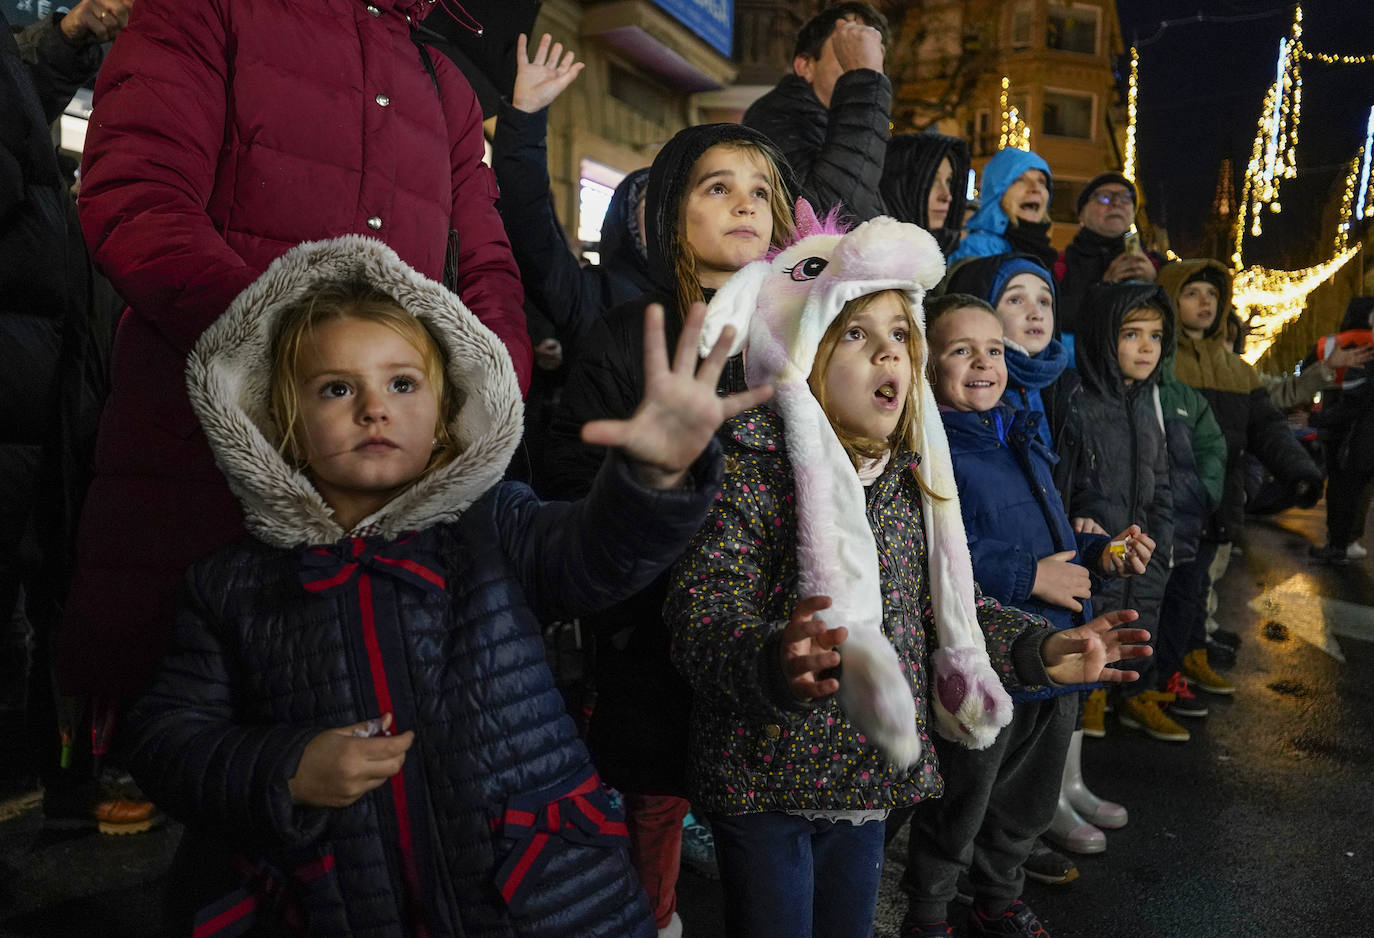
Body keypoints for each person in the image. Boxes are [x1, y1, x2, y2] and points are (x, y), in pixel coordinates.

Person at [121, 235, 770, 935]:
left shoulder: (495, 524)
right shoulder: (231, 585)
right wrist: (285, 769)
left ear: (443, 416)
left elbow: (596, 555)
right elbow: (166, 740)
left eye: (402, 384)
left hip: (541, 896)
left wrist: (653, 476)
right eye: (337, 388)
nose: (374, 408)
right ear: (280, 423)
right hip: (342, 904)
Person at [57, 0, 534, 764]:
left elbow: (488, 271)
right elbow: (138, 199)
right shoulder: (208, 9)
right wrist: (303, 360)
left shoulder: (444, 81)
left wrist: (483, 397)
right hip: (203, 469)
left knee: (374, 764)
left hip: (386, 501)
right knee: (198, 762)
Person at [665, 216, 1152, 938]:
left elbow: (953, 607)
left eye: (900, 334)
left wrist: (1039, 651)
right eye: (855, 335)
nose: (888, 351)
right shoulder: (750, 469)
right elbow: (701, 616)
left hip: (867, 778)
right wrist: (776, 658)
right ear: (801, 352)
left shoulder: (907, 479)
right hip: (766, 777)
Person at [543, 122, 796, 938]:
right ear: (668, 215)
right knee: (655, 799)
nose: (745, 205)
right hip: (652, 632)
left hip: (768, 624)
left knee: (765, 820)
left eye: (760, 191)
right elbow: (572, 477)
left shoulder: (802, 335)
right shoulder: (630, 335)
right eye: (718, 187)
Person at [899, 293, 1153, 937]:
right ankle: (928, 913)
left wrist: (1102, 554)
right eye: (962, 350)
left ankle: (999, 899)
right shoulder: (930, 445)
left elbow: (1053, 538)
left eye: (993, 350)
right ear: (927, 363)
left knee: (1028, 801)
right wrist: (1029, 576)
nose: (983, 363)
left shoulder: (1019, 431)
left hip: (1056, 653)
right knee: (963, 797)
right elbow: (933, 549)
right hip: (989, 657)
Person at [0, 0, 137, 826]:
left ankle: (60, 773)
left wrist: (67, 37)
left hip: (48, 392)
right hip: (27, 387)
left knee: (58, 594)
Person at [1157, 262, 1323, 681]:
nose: (1205, 302)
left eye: (1212, 295)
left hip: (1217, 503)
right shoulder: (1158, 358)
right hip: (1169, 502)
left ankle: (1188, 661)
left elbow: (1267, 427)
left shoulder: (1237, 369)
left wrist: (1299, 472)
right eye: (1192, 293)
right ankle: (1155, 678)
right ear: (1171, 299)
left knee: (1196, 591)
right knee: (1165, 594)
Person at [492, 33, 654, 360]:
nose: (667, 216)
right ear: (627, 222)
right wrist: (525, 120)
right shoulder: (594, 298)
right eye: (652, 203)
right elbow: (528, 222)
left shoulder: (728, 297)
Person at [1068, 282, 1179, 745]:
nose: (1147, 347)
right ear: (1104, 336)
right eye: (1132, 334)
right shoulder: (1079, 400)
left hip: (1141, 555)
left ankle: (1125, 696)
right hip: (1096, 556)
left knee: (1135, 632)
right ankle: (1089, 700)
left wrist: (1163, 548)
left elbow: (1161, 483)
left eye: (1156, 336)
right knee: (1090, 638)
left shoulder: (1146, 405)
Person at [743, 2, 891, 223]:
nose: (862, 61)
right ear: (805, 66)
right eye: (846, 49)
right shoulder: (774, 116)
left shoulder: (840, 128)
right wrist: (864, 82)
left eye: (868, 54)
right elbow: (823, 221)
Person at [1053, 173, 1165, 335]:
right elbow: (1051, 315)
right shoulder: (1059, 264)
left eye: (1125, 198)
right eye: (1104, 197)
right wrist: (1105, 290)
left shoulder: (1158, 264)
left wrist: (1157, 283)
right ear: (1082, 214)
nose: (1116, 203)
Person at [1307, 297, 1374, 561]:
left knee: (1339, 484)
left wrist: (1313, 418)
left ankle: (1336, 542)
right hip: (1360, 426)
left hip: (1338, 419)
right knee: (1360, 488)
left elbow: (1306, 373)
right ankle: (1350, 539)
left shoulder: (1330, 343)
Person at [948, 147, 1056, 268]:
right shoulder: (977, 250)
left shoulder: (1044, 253)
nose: (1036, 188)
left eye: (1041, 181)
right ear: (997, 193)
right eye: (1020, 180)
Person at [879, 131, 971, 257]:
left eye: (949, 181)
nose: (947, 196)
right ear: (900, 186)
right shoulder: (871, 259)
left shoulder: (948, 250)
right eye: (932, 180)